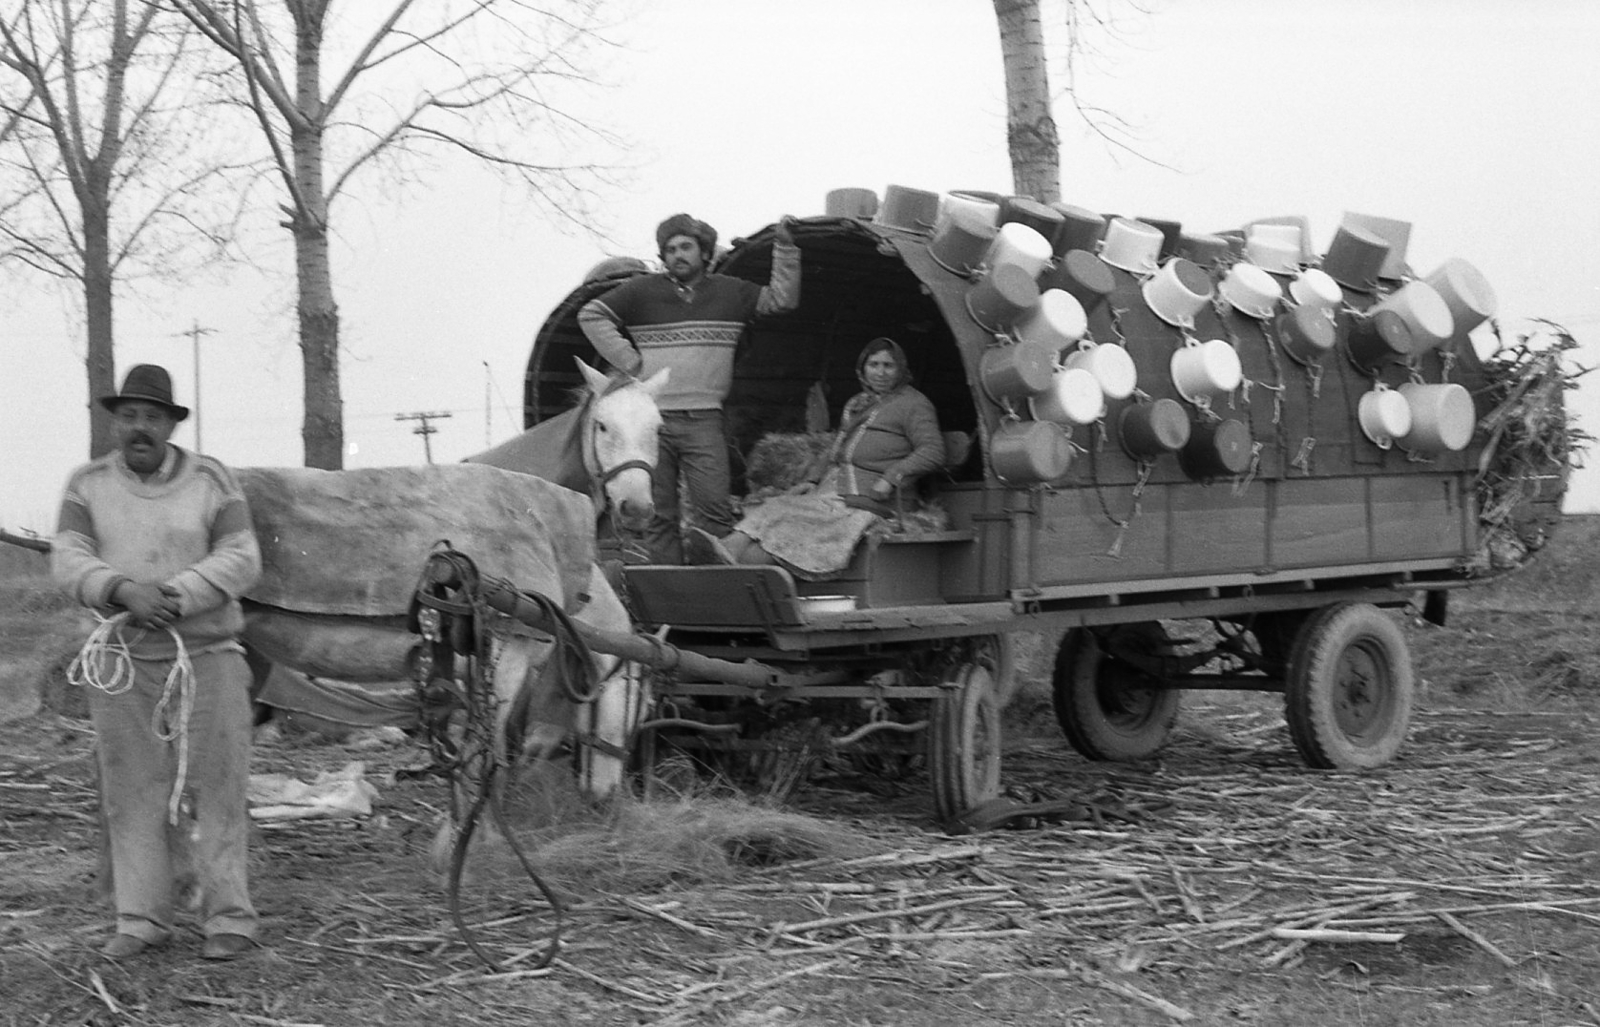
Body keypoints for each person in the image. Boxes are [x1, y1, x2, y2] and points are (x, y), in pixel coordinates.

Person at [51, 364, 264, 961]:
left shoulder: (210, 480)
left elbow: (242, 556)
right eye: (129, 416)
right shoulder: (86, 485)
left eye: (151, 416)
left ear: (171, 424)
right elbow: (67, 557)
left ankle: (229, 918)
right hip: (122, 664)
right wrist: (121, 590)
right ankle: (141, 917)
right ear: (114, 422)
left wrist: (176, 595)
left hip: (208, 656)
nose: (139, 427)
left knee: (219, 786)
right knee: (132, 790)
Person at [578, 212, 802, 563]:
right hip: (652, 422)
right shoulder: (641, 291)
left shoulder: (732, 292)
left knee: (714, 510)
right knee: (659, 514)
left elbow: (782, 299)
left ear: (705, 251)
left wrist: (786, 249)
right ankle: (669, 596)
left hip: (704, 419)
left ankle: (715, 594)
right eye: (669, 249)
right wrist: (631, 362)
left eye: (686, 247)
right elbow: (591, 314)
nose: (677, 255)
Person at [698, 337, 944, 577]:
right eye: (874, 365)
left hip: (874, 500)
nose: (880, 373)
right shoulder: (859, 403)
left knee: (782, 513)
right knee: (774, 512)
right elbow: (835, 448)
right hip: (838, 494)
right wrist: (813, 480)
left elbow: (933, 450)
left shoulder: (914, 404)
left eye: (888, 366)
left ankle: (726, 555)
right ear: (863, 368)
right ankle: (729, 562)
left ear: (901, 369)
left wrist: (891, 477)